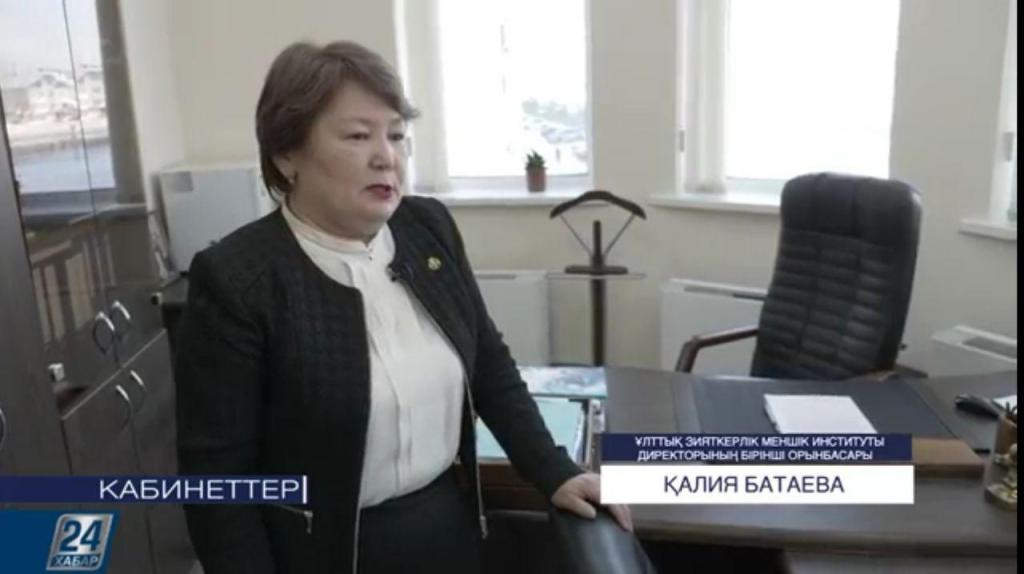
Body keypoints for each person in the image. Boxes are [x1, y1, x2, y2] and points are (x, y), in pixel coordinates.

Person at [174, 40, 631, 574]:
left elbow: (488, 365)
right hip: (322, 552)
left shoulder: (427, 228)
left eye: (395, 135)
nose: (385, 156)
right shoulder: (238, 279)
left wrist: (554, 470)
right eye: (357, 136)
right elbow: (218, 480)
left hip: (446, 527)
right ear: (286, 155)